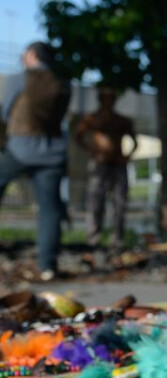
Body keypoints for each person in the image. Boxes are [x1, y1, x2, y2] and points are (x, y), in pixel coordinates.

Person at [0, 42, 71, 281]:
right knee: (50, 209)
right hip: (52, 152)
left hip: (20, 147)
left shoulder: (20, 79)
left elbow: (5, 111)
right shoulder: (62, 82)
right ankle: (47, 265)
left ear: (32, 55)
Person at [75, 86, 136, 250]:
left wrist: (127, 155)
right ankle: (93, 238)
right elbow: (78, 137)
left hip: (118, 163)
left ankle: (118, 238)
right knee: (95, 201)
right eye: (105, 98)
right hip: (100, 164)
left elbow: (134, 142)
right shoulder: (92, 119)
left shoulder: (122, 120)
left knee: (120, 202)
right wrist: (92, 152)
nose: (109, 102)